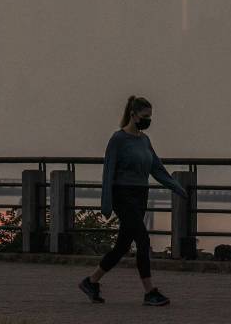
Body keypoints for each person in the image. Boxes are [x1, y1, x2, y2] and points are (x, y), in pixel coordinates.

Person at [78, 95, 189, 306]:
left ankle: (91, 282)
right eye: (145, 116)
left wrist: (177, 187)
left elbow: (156, 168)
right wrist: (106, 203)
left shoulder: (144, 140)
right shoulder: (118, 139)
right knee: (143, 240)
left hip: (141, 194)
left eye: (150, 116)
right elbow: (108, 171)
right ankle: (150, 292)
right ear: (133, 114)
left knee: (122, 245)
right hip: (123, 194)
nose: (148, 120)